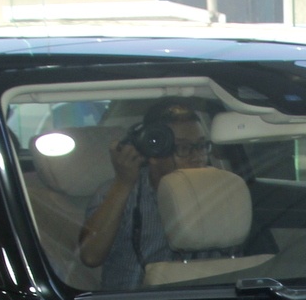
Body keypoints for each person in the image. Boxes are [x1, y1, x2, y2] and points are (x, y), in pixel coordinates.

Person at [77, 101, 213, 289]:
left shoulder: (220, 191)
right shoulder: (119, 191)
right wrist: (123, 183)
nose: (198, 156)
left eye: (202, 146)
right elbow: (91, 256)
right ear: (154, 152)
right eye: (183, 148)